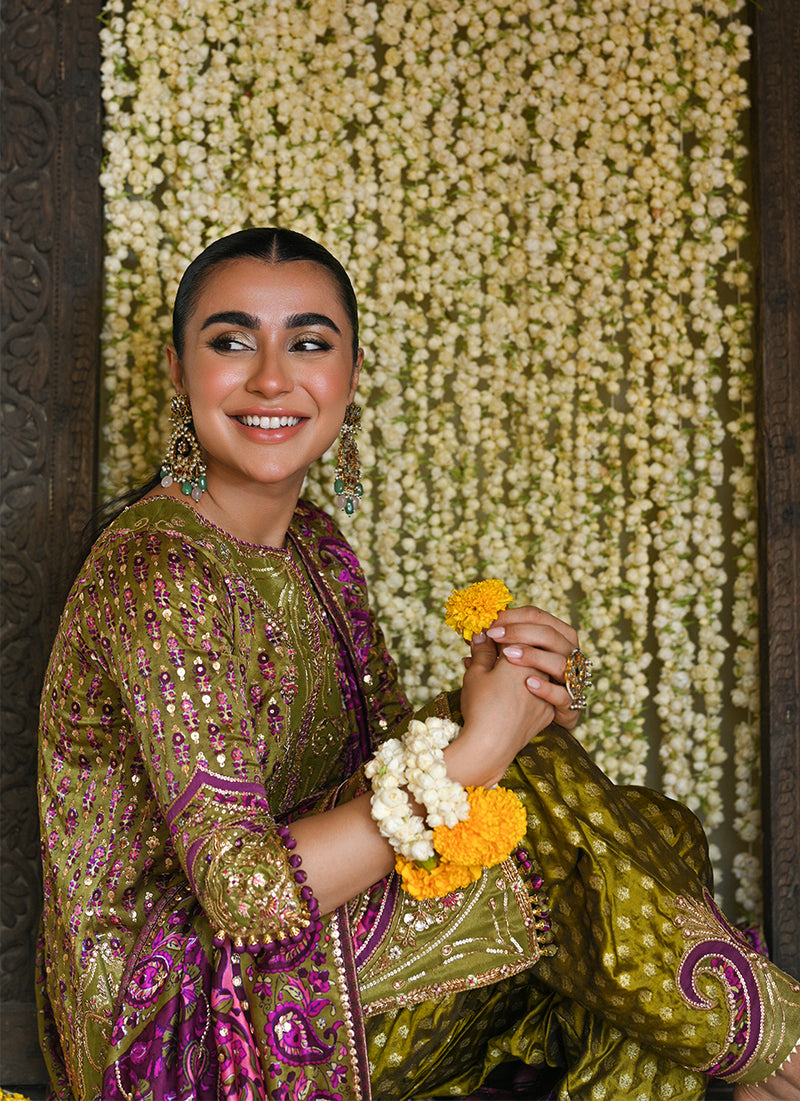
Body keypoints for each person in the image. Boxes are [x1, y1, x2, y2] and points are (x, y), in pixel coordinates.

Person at [37, 228, 800, 1101]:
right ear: (178, 370)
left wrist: (523, 697)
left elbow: (379, 763)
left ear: (351, 377)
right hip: (177, 1023)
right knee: (560, 845)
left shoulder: (315, 545)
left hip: (297, 954)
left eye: (310, 343)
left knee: (646, 847)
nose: (272, 377)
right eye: (232, 341)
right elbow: (246, 895)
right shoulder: (159, 569)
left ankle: (764, 1072)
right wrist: (482, 750)